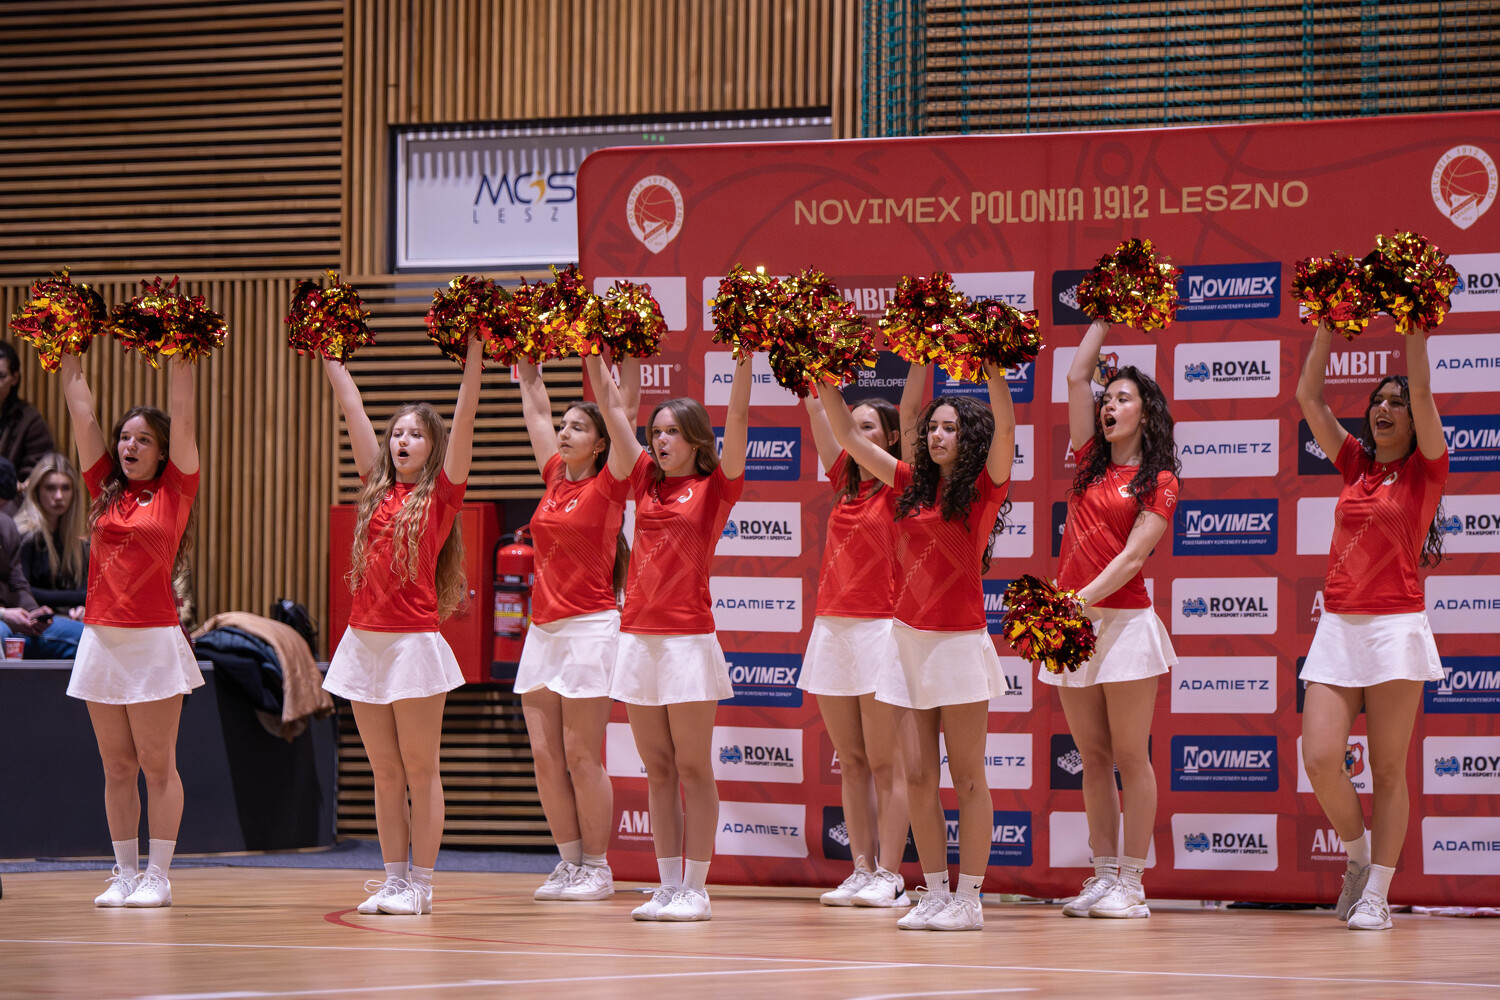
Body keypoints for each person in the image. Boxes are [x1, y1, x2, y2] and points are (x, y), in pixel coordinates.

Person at [821, 363, 1014, 932]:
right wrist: (819, 372)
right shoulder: (907, 483)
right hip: (906, 643)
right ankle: (934, 893)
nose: (936, 435)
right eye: (932, 427)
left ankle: (969, 899)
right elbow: (847, 435)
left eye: (949, 428)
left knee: (969, 778)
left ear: (969, 438)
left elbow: (1006, 429)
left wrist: (994, 370)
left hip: (959, 643)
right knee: (922, 777)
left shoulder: (984, 489)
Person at [583, 350, 751, 922]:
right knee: (657, 769)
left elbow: (738, 419)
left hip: (687, 642)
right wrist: (589, 348)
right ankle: (668, 884)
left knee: (694, 768)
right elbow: (612, 412)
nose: (660, 441)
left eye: (672, 432)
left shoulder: (716, 487)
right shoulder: (642, 482)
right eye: (656, 432)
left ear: (697, 440)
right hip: (637, 638)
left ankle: (696, 888)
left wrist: (745, 360)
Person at [321, 334, 484, 916]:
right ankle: (393, 880)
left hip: (414, 644)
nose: (402, 442)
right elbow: (352, 408)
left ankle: (422, 884)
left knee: (419, 767)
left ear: (433, 447)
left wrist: (474, 356)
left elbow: (466, 415)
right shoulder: (376, 486)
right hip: (364, 642)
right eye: (397, 433)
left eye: (415, 434)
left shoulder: (442, 493)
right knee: (385, 771)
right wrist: (330, 354)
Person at [1296, 320, 1448, 932]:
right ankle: (1358, 860)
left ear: (1414, 418)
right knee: (1319, 757)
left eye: (1397, 403)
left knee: (1387, 771)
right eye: (1378, 401)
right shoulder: (1354, 463)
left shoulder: (1426, 470)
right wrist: (1325, 327)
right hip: (1338, 626)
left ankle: (1378, 895)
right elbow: (1309, 398)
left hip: (1394, 629)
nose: (1384, 409)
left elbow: (1425, 390)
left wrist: (1413, 327)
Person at [56, 353, 202, 908]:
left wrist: (183, 350)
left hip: (153, 640)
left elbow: (184, 414)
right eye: (124, 438)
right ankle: (123, 873)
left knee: (156, 765)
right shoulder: (102, 487)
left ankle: (157, 876)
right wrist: (68, 342)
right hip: (102, 639)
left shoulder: (176, 489)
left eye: (143, 440)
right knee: (116, 766)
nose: (129, 447)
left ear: (162, 451)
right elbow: (81, 412)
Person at [1046, 319, 1180, 920]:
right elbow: (1077, 375)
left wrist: (1076, 601)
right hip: (1073, 624)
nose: (1109, 406)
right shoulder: (1086, 465)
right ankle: (1102, 876)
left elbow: (1132, 558)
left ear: (1146, 414)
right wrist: (1103, 313)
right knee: (1093, 758)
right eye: (1108, 399)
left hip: (1123, 624)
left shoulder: (1161, 480)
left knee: (1130, 756)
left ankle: (1133, 883)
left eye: (1123, 399)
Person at [514, 357, 639, 903]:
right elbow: (534, 406)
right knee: (545, 758)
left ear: (600, 443)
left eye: (578, 428)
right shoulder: (553, 477)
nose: (563, 433)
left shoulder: (612, 484)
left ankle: (598, 867)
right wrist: (524, 355)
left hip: (591, 627)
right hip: (543, 631)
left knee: (581, 755)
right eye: (563, 426)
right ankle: (568, 863)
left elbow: (622, 407)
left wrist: (617, 352)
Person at [798, 372, 923, 909]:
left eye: (867, 426)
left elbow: (911, 415)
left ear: (891, 438)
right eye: (852, 425)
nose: (854, 433)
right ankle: (862, 868)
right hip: (833, 628)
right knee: (851, 761)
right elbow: (817, 412)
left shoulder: (904, 483)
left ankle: (891, 876)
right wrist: (808, 363)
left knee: (886, 763)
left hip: (881, 629)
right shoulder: (843, 479)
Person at [16, 452, 90, 622]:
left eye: (65, 488)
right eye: (50, 488)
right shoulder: (24, 535)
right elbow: (23, 591)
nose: (59, 496)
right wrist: (78, 598)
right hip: (32, 619)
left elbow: (84, 590)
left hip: (66, 618)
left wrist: (81, 607)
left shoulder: (76, 541)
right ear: (36, 490)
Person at [0, 340, 56, 488]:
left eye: (1, 376)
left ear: (15, 378)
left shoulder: (30, 420)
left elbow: (38, 475)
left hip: (12, 499)